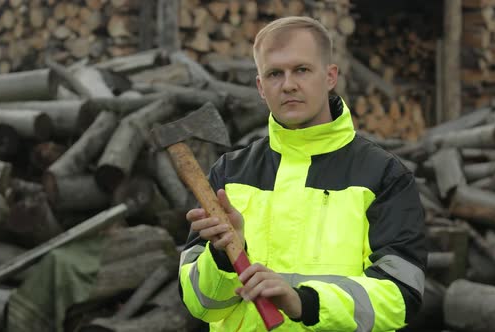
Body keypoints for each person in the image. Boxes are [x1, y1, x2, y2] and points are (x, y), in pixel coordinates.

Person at [178, 16, 427, 332]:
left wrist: (304, 302)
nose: (288, 84)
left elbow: (401, 296)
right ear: (260, 87)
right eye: (274, 74)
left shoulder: (383, 176)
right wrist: (223, 258)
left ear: (330, 76)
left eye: (302, 70)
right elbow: (201, 305)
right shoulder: (229, 175)